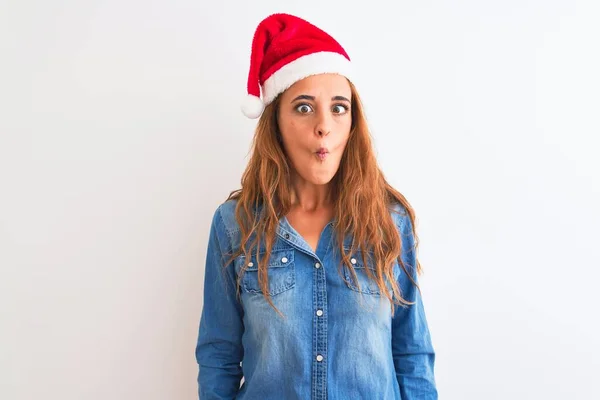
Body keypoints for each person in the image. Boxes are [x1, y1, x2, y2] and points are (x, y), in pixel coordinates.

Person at [195, 13, 437, 400]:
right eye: (304, 108)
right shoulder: (233, 226)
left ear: (352, 123)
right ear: (275, 122)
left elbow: (411, 355)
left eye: (338, 108)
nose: (323, 125)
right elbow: (219, 356)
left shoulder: (391, 222)